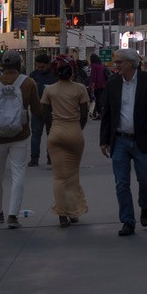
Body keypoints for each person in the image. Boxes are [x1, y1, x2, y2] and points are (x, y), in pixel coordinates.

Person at [97, 48, 147, 236]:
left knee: (145, 179)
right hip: (119, 140)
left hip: (143, 140)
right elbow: (107, 114)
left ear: (130, 63)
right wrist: (104, 140)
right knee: (121, 183)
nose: (115, 65)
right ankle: (128, 220)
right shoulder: (113, 83)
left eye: (119, 62)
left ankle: (144, 205)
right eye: (115, 62)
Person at [0, 51, 41, 229]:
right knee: (18, 173)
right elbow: (37, 110)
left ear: (1, 64)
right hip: (20, 135)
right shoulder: (28, 82)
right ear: (19, 64)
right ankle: (13, 215)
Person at [42, 54, 90, 228]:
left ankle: (62, 214)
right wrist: (77, 128)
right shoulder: (80, 89)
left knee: (59, 176)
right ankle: (73, 211)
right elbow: (84, 114)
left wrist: (53, 126)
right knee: (72, 175)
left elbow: (44, 114)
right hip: (74, 131)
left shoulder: (49, 90)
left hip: (56, 132)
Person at [28, 54, 57, 167]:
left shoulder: (55, 75)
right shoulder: (34, 75)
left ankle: (51, 157)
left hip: (51, 110)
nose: (40, 69)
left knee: (51, 134)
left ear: (48, 64)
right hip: (37, 110)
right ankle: (34, 158)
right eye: (38, 67)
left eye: (42, 67)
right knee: (35, 134)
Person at [89, 53, 108, 120]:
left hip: (97, 85)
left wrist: (92, 86)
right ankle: (102, 113)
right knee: (101, 100)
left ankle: (100, 114)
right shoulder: (101, 65)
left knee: (98, 100)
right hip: (103, 84)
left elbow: (93, 77)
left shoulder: (93, 66)